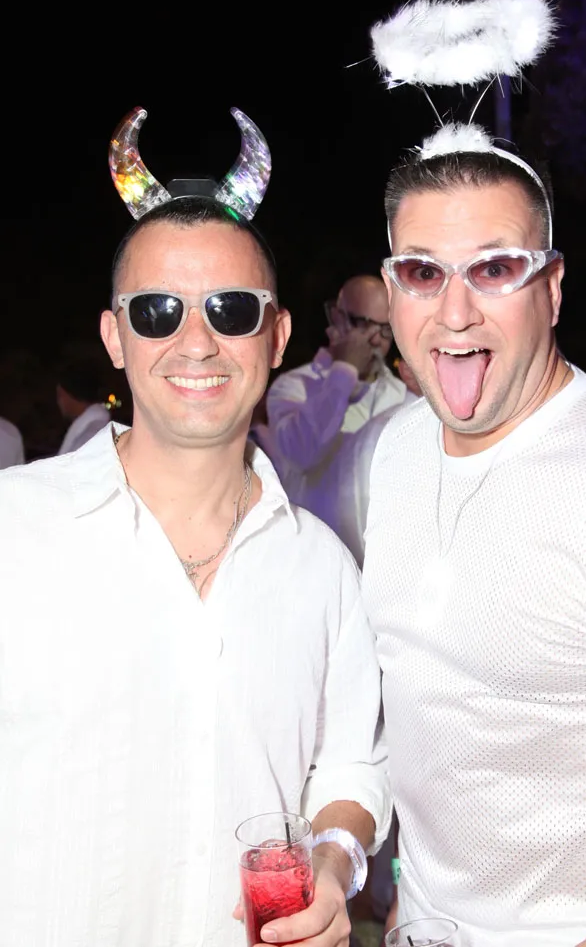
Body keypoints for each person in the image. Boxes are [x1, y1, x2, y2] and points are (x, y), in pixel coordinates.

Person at [362, 0, 586, 947]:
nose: (454, 312)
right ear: (390, 291)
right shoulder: (392, 452)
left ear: (551, 287)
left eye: (494, 268)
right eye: (422, 272)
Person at [0, 105, 390, 947]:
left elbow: (352, 766)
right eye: (155, 312)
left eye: (231, 309)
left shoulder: (323, 569)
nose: (196, 341)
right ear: (114, 337)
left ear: (277, 335)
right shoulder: (14, 533)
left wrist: (334, 864)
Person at [266, 274, 414, 545]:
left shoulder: (404, 396)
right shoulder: (294, 386)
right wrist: (345, 371)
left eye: (385, 329)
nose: (375, 340)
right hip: (314, 551)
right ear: (336, 317)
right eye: (364, 324)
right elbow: (302, 453)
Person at [56, 359, 111, 453]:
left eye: (59, 395)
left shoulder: (88, 440)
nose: (59, 402)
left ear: (65, 395)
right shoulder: (100, 431)